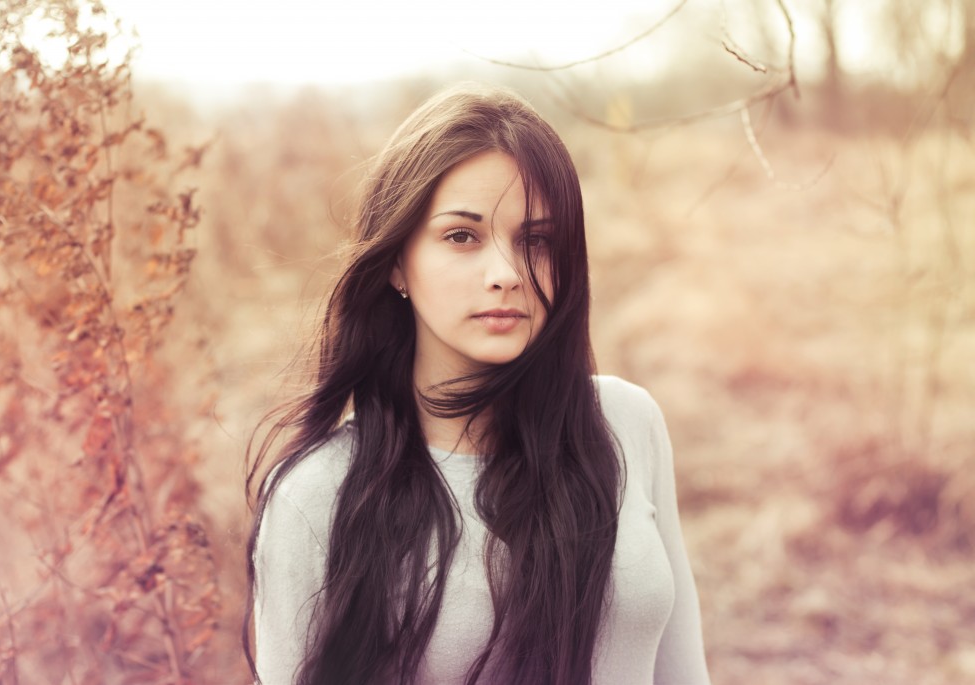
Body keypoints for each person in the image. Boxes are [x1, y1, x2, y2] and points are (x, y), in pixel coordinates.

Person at [245, 83, 710, 685]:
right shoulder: (317, 496)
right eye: (462, 236)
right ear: (395, 262)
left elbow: (682, 669)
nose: (507, 274)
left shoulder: (625, 422)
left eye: (536, 240)